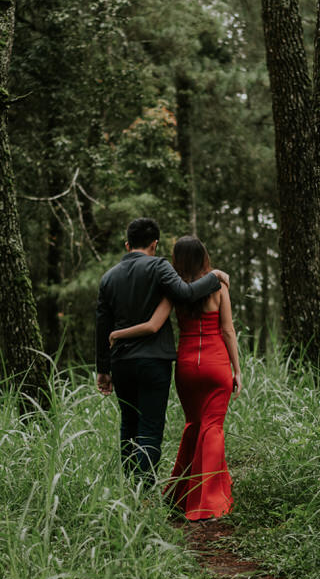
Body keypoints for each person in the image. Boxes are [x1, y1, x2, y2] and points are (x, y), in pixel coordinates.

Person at [109, 236, 240, 521]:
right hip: (216, 363)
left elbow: (152, 325)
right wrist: (237, 370)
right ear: (204, 256)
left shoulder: (173, 292)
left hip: (187, 366)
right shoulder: (218, 287)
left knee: (194, 425)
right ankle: (208, 503)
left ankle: (181, 497)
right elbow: (228, 331)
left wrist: (118, 333)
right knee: (213, 427)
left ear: (177, 260)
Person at [96, 218, 227, 485]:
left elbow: (102, 325)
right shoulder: (158, 267)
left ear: (127, 244)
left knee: (128, 425)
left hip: (120, 361)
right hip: (154, 360)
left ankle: (131, 490)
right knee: (150, 428)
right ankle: (143, 490)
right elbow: (186, 293)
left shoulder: (108, 277)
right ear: (154, 244)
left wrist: (103, 369)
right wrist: (214, 278)